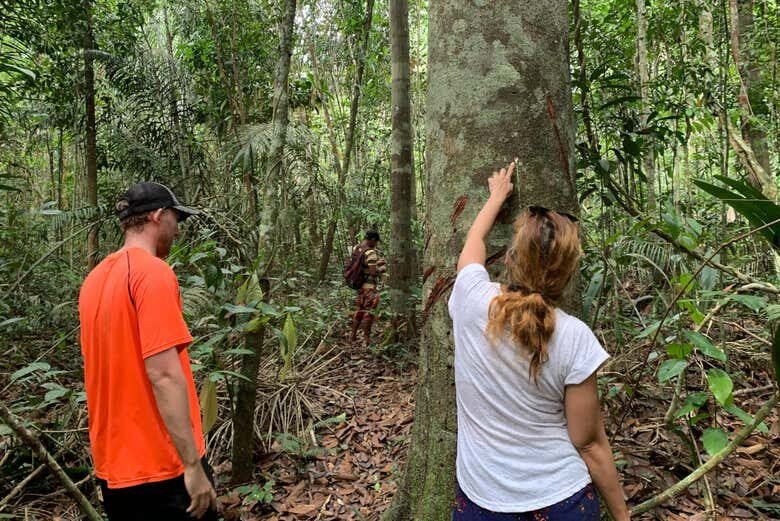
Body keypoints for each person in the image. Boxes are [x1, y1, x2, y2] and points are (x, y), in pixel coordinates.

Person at [448, 161, 630, 521]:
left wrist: (497, 196)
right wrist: (622, 516)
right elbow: (588, 442)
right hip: (562, 500)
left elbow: (473, 243)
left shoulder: (470, 300)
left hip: (483, 501)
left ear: (512, 257)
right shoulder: (575, 336)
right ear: (567, 271)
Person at [78, 182, 218, 520]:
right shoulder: (152, 273)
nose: (178, 229)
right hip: (161, 468)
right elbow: (164, 375)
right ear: (158, 215)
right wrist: (192, 466)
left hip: (114, 472)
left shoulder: (93, 281)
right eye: (176, 218)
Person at [349, 230, 387, 345]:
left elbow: (363, 266)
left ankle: (353, 336)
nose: (376, 245)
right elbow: (373, 272)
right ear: (373, 240)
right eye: (376, 242)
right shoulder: (371, 252)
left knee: (359, 310)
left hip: (360, 286)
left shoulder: (357, 248)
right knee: (369, 312)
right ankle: (366, 339)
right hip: (369, 287)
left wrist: (377, 263)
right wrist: (381, 269)